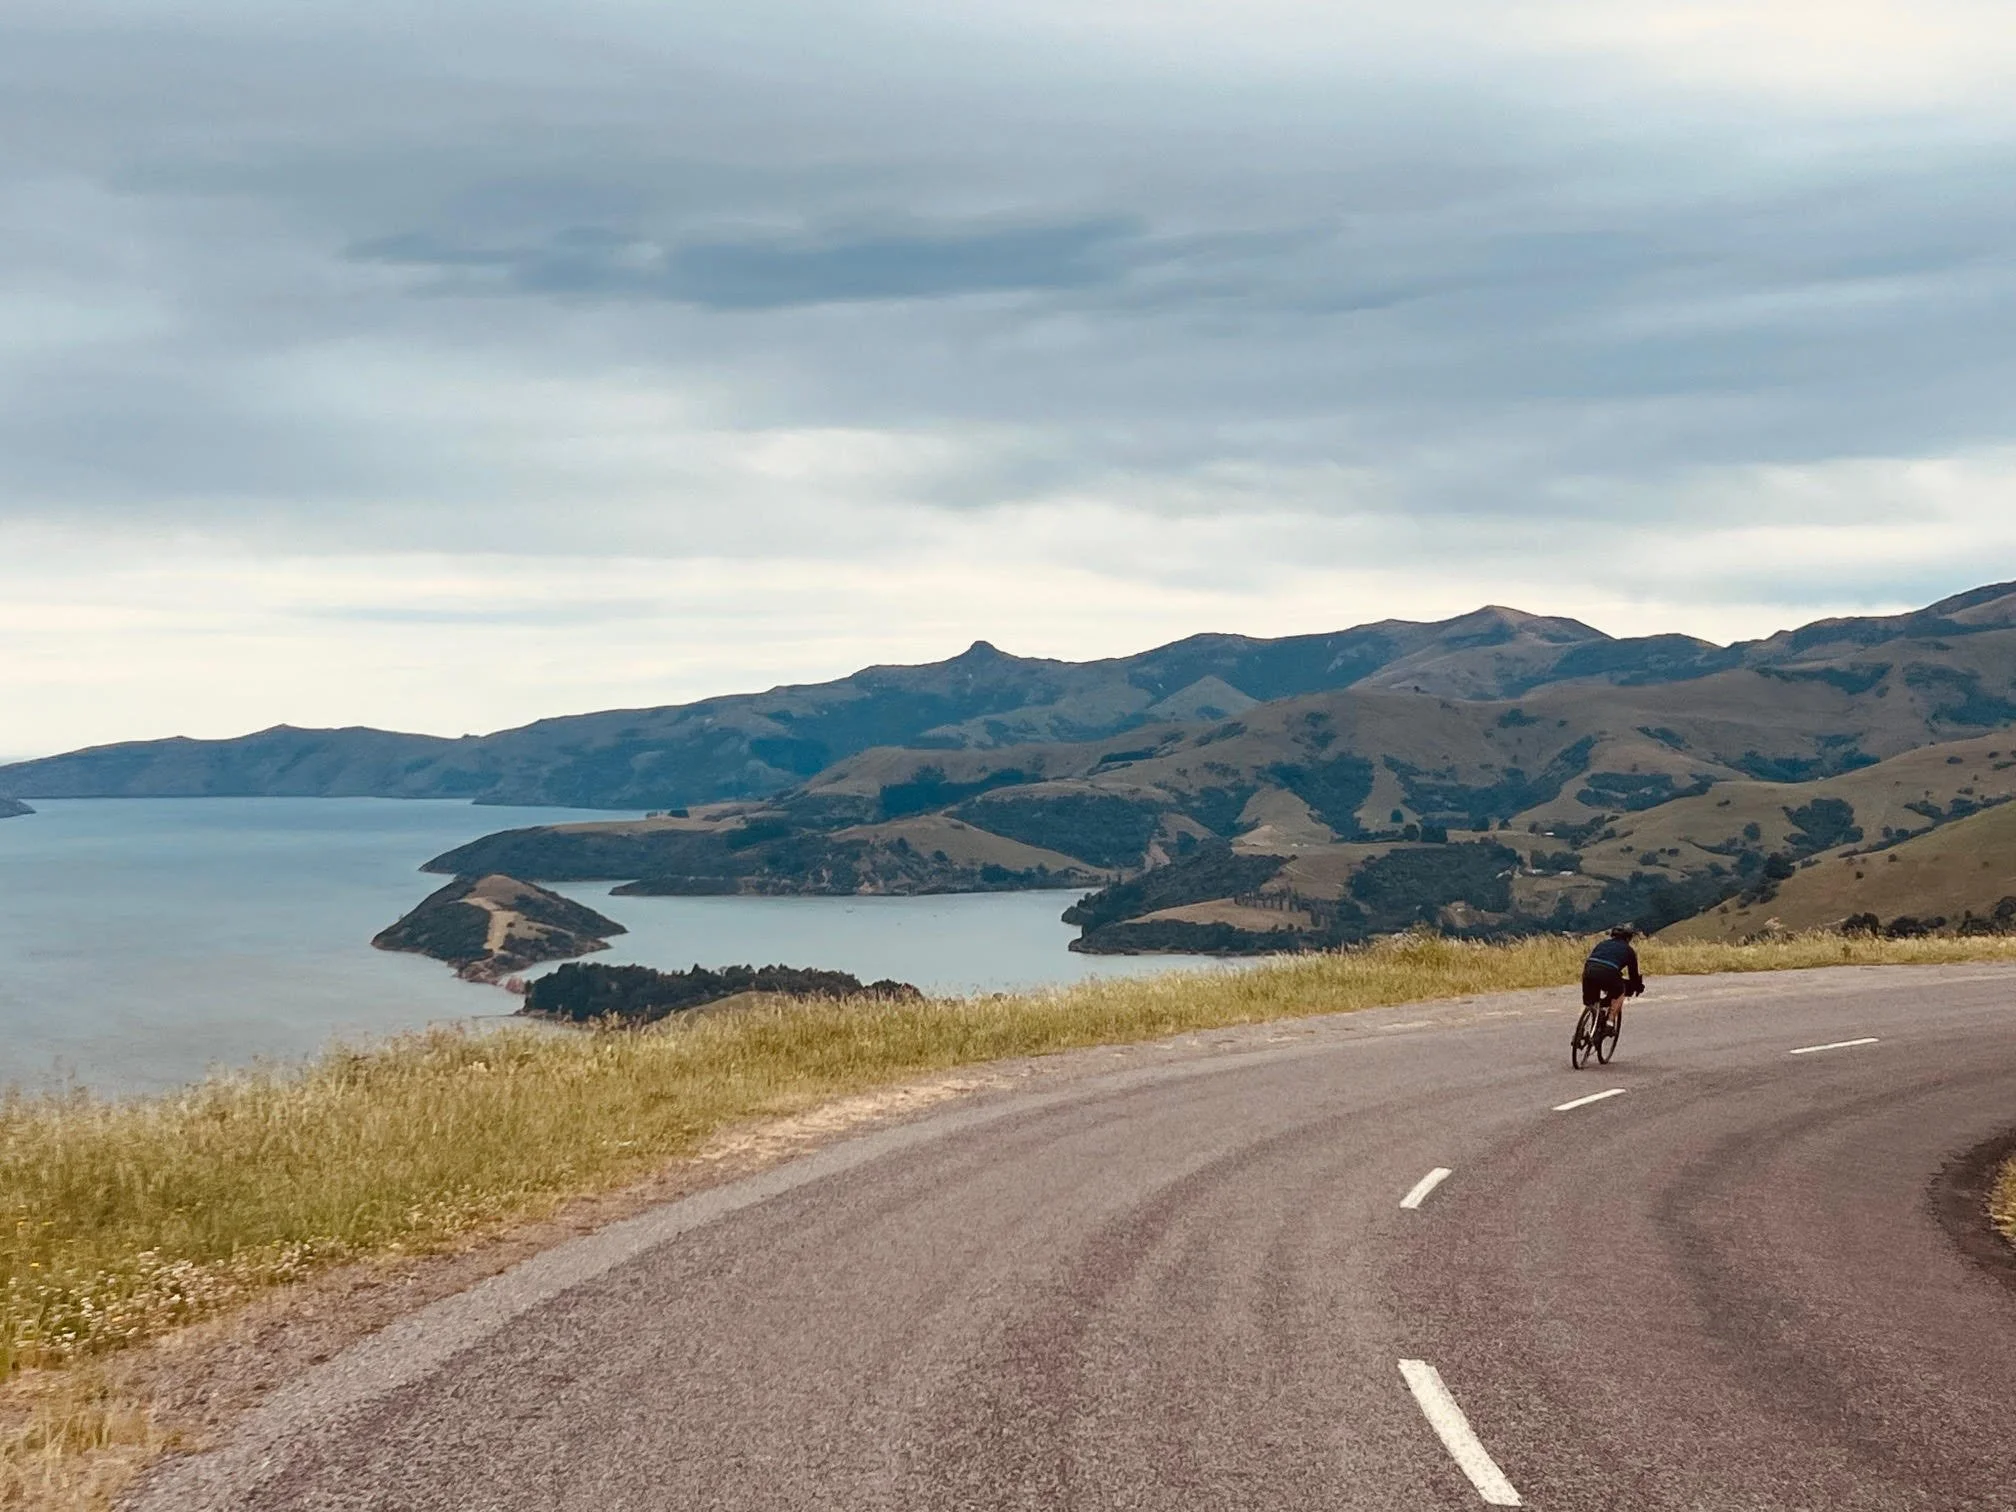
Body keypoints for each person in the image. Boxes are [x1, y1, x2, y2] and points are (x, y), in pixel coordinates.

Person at [1582, 925, 1644, 1031]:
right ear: (1628, 938)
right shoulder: (1629, 951)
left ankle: (1582, 1030)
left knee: (1591, 1003)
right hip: (1609, 973)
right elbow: (1633, 975)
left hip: (1589, 971)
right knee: (1620, 991)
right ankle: (1609, 1022)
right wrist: (1638, 987)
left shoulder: (1602, 944)